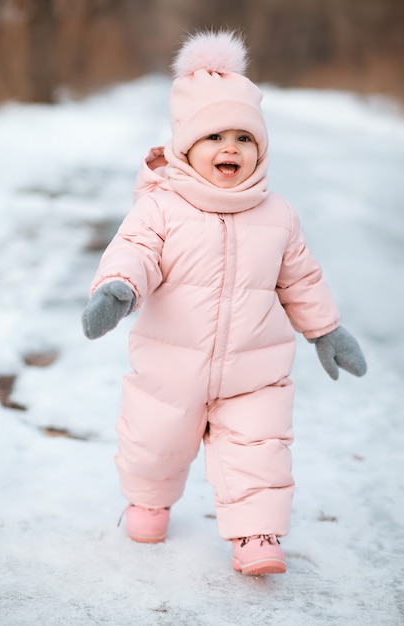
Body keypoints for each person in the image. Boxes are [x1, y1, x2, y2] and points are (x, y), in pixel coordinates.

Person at [82, 30, 367, 576]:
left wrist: (326, 330)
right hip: (172, 366)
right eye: (214, 136)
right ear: (185, 147)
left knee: (259, 448)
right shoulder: (161, 208)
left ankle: (256, 532)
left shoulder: (277, 213)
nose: (230, 148)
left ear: (261, 149)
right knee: (153, 443)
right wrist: (119, 289)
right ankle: (149, 501)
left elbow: (301, 278)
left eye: (244, 137)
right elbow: (135, 252)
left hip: (254, 370)